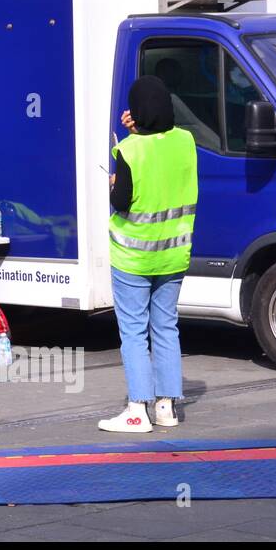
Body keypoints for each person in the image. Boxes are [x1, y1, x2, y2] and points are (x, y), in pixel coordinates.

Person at [100, 75, 198, 435]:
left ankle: (136, 410)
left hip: (134, 258)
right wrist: (139, 130)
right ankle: (167, 407)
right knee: (166, 328)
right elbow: (161, 149)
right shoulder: (187, 142)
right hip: (173, 256)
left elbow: (123, 201)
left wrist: (114, 183)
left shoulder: (128, 151)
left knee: (134, 332)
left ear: (138, 113)